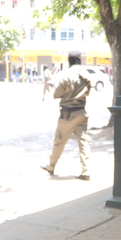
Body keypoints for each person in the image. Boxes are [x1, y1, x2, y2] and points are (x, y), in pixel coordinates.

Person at [41, 50, 93, 181]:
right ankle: (86, 171)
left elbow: (56, 94)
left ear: (69, 60)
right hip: (82, 112)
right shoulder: (86, 74)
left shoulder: (65, 74)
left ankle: (51, 166)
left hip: (68, 114)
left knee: (59, 141)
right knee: (84, 142)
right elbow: (88, 91)